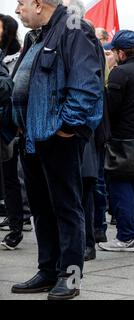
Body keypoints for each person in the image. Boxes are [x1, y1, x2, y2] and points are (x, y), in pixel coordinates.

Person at [10, 0, 104, 300]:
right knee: (40, 207)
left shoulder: (74, 29)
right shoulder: (35, 36)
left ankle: (70, 276)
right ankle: (48, 270)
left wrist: (67, 127)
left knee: (66, 207)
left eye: (21, 3)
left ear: (38, 4)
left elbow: (87, 84)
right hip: (32, 137)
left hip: (57, 136)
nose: (17, 10)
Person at [98, 30, 134, 252]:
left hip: (122, 141)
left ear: (121, 52)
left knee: (121, 188)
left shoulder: (120, 73)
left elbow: (110, 109)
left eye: (113, 51)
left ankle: (125, 236)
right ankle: (133, 234)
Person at [0, 14, 33, 250]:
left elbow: (8, 88)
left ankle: (17, 225)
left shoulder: (17, 56)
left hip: (9, 126)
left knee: (12, 177)